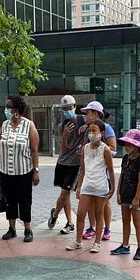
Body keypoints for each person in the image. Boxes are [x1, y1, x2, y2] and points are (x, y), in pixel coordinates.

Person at [0, 95, 40, 242]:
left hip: (24, 172)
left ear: (17, 109)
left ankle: (27, 230)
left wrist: (36, 171)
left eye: (9, 106)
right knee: (10, 201)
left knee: (25, 201)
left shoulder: (29, 125)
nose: (6, 109)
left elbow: (34, 150)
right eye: (6, 106)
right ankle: (12, 229)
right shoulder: (4, 125)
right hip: (5, 171)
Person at [66, 119, 115, 253]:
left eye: (94, 131)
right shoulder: (85, 148)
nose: (91, 134)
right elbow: (82, 169)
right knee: (81, 213)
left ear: (102, 133)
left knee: (99, 214)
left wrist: (113, 188)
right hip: (87, 185)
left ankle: (97, 242)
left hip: (100, 187)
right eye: (90, 131)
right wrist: (79, 187)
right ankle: (78, 241)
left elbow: (111, 170)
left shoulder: (105, 149)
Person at [47, 95, 86, 235]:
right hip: (62, 162)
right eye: (64, 109)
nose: (67, 111)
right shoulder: (62, 126)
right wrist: (64, 134)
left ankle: (55, 214)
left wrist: (86, 126)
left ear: (75, 107)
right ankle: (69, 223)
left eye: (69, 108)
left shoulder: (83, 120)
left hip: (75, 164)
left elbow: (96, 124)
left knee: (64, 193)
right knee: (66, 194)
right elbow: (63, 148)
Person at [81, 102, 117, 241]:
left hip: (102, 173)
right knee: (90, 201)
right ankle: (92, 227)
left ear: (95, 113)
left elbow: (113, 148)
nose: (86, 116)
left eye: (88, 113)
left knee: (104, 202)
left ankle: (106, 228)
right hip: (90, 174)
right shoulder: (88, 129)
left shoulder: (106, 128)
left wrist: (100, 149)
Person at [111, 129, 140, 261]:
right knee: (125, 220)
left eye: (130, 145)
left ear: (136, 146)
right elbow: (122, 175)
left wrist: (137, 198)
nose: (127, 147)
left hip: (135, 195)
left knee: (137, 222)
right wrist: (118, 192)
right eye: (126, 144)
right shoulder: (125, 158)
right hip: (125, 193)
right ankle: (125, 245)